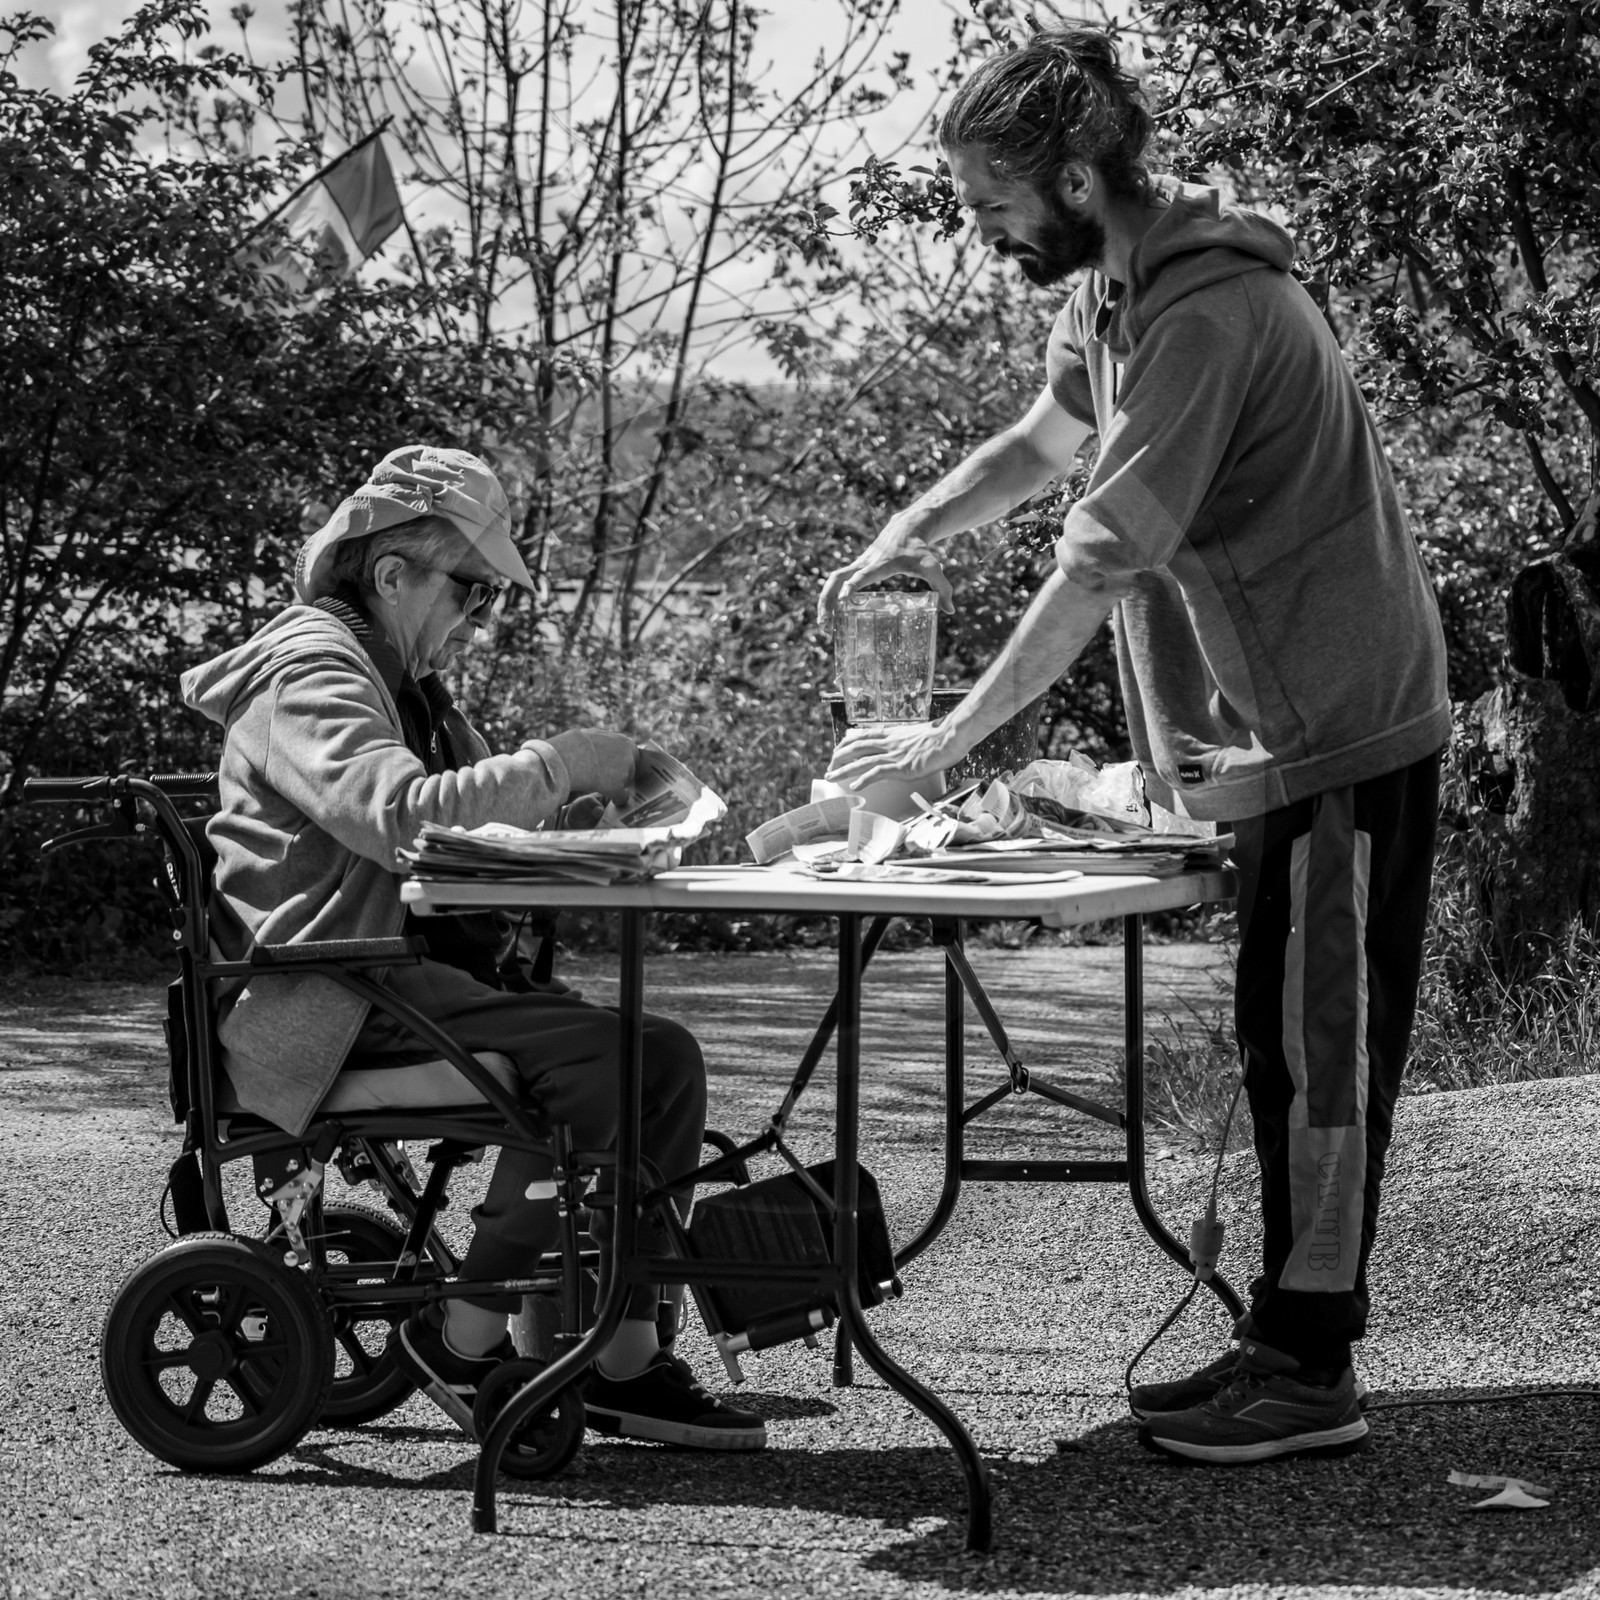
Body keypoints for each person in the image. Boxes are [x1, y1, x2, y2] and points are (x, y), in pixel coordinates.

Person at [820, 28, 1450, 1465]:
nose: (983, 235)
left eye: (992, 205)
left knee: (1322, 1050)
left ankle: (1311, 1371)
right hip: (1270, 731)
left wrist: (946, 754)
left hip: (1341, 717)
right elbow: (1051, 434)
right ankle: (1282, 1333)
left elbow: (1099, 562)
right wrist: (910, 531)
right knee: (1279, 1042)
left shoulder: (1205, 313)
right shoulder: (1115, 284)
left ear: (1083, 174)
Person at [181, 444, 764, 1451]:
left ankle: (622, 1357)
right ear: (393, 571)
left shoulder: (389, 672)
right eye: (472, 589)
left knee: (660, 1058)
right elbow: (402, 818)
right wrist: (568, 760)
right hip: (323, 1001)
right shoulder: (315, 671)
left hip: (386, 979)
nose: (478, 614)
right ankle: (465, 1333)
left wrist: (581, 833)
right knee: (606, 1061)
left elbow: (448, 834)